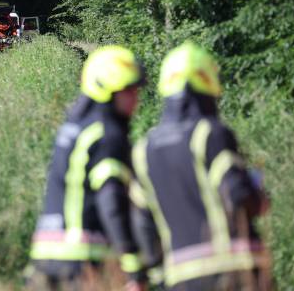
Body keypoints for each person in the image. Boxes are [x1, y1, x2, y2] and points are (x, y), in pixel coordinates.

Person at [129, 41, 271, 290]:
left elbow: (142, 222)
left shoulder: (144, 149)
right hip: (233, 271)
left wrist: (156, 274)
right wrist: (258, 198)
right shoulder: (210, 134)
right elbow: (237, 195)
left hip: (179, 277)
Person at [28, 46, 148, 290]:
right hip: (82, 262)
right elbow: (111, 201)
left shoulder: (73, 128)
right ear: (106, 90)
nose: (135, 98)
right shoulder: (106, 134)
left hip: (45, 257)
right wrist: (133, 264)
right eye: (128, 90)